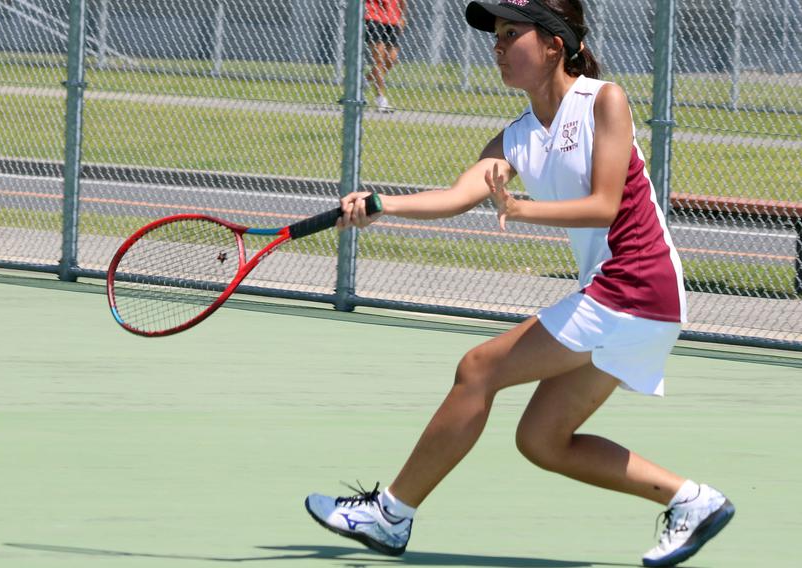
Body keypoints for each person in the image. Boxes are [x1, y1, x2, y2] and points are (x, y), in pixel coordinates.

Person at [305, 1, 735, 566]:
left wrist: (523, 210)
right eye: (497, 36)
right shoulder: (516, 137)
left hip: (636, 282)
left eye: (513, 33)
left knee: (479, 369)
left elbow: (606, 205)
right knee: (541, 440)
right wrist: (381, 204)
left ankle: (390, 514)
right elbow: (458, 196)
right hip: (628, 299)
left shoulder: (604, 100)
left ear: (555, 44)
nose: (499, 45)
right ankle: (693, 502)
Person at [364, 0, 407, 112]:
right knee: (379, 60)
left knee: (391, 59)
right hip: (373, 15)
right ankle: (381, 99)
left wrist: (402, 16)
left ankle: (364, 81)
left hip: (392, 17)